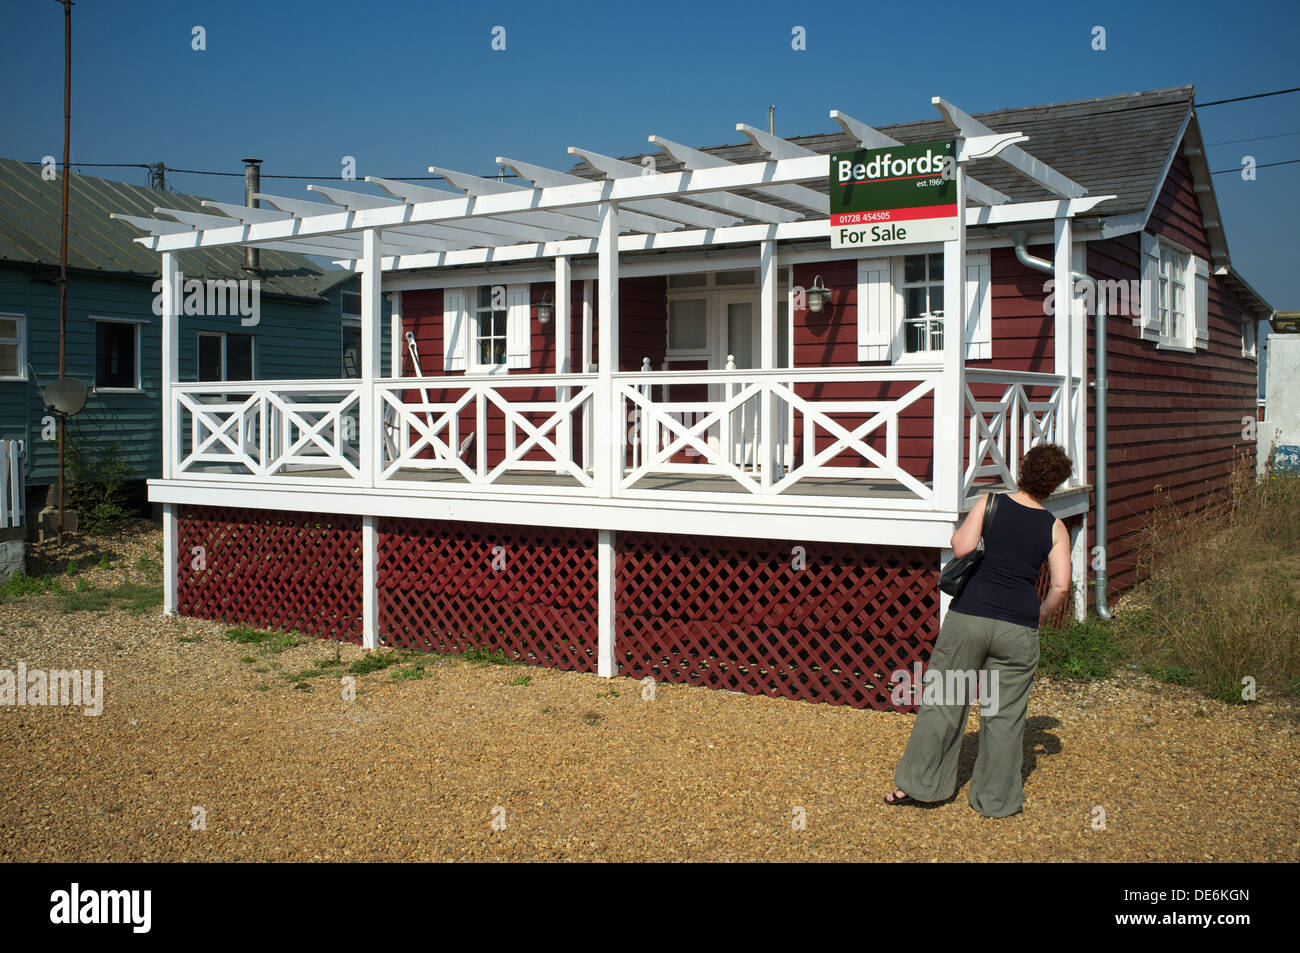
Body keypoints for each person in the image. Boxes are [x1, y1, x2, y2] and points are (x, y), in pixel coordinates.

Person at [885, 443, 1073, 817]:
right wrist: (1038, 615)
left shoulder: (990, 503)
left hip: (970, 616)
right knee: (1004, 716)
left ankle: (922, 788)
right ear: (1053, 485)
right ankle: (996, 802)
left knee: (943, 703)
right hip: (1018, 626)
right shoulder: (1055, 527)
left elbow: (961, 548)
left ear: (1023, 469)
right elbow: (1061, 586)